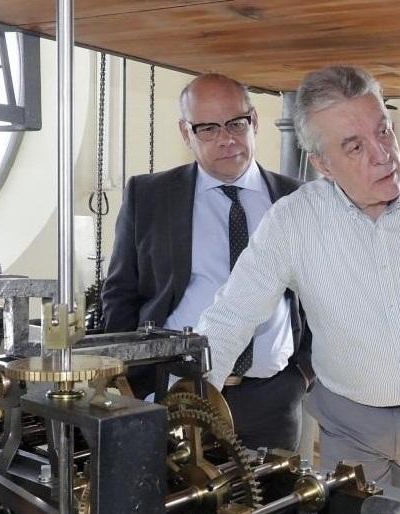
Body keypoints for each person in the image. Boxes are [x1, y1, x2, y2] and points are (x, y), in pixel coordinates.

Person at [195, 66, 400, 487]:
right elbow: (232, 316)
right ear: (322, 163)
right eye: (354, 147)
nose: (382, 154)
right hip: (348, 426)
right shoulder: (292, 222)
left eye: (383, 132)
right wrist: (190, 404)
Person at [103, 73, 312, 452]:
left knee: (272, 505)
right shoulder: (149, 196)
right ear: (186, 133)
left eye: (236, 123)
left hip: (271, 399)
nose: (226, 139)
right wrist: (129, 383)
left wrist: (301, 374)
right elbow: (121, 294)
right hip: (177, 392)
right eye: (208, 128)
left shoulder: (296, 198)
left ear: (254, 122)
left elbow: (322, 295)